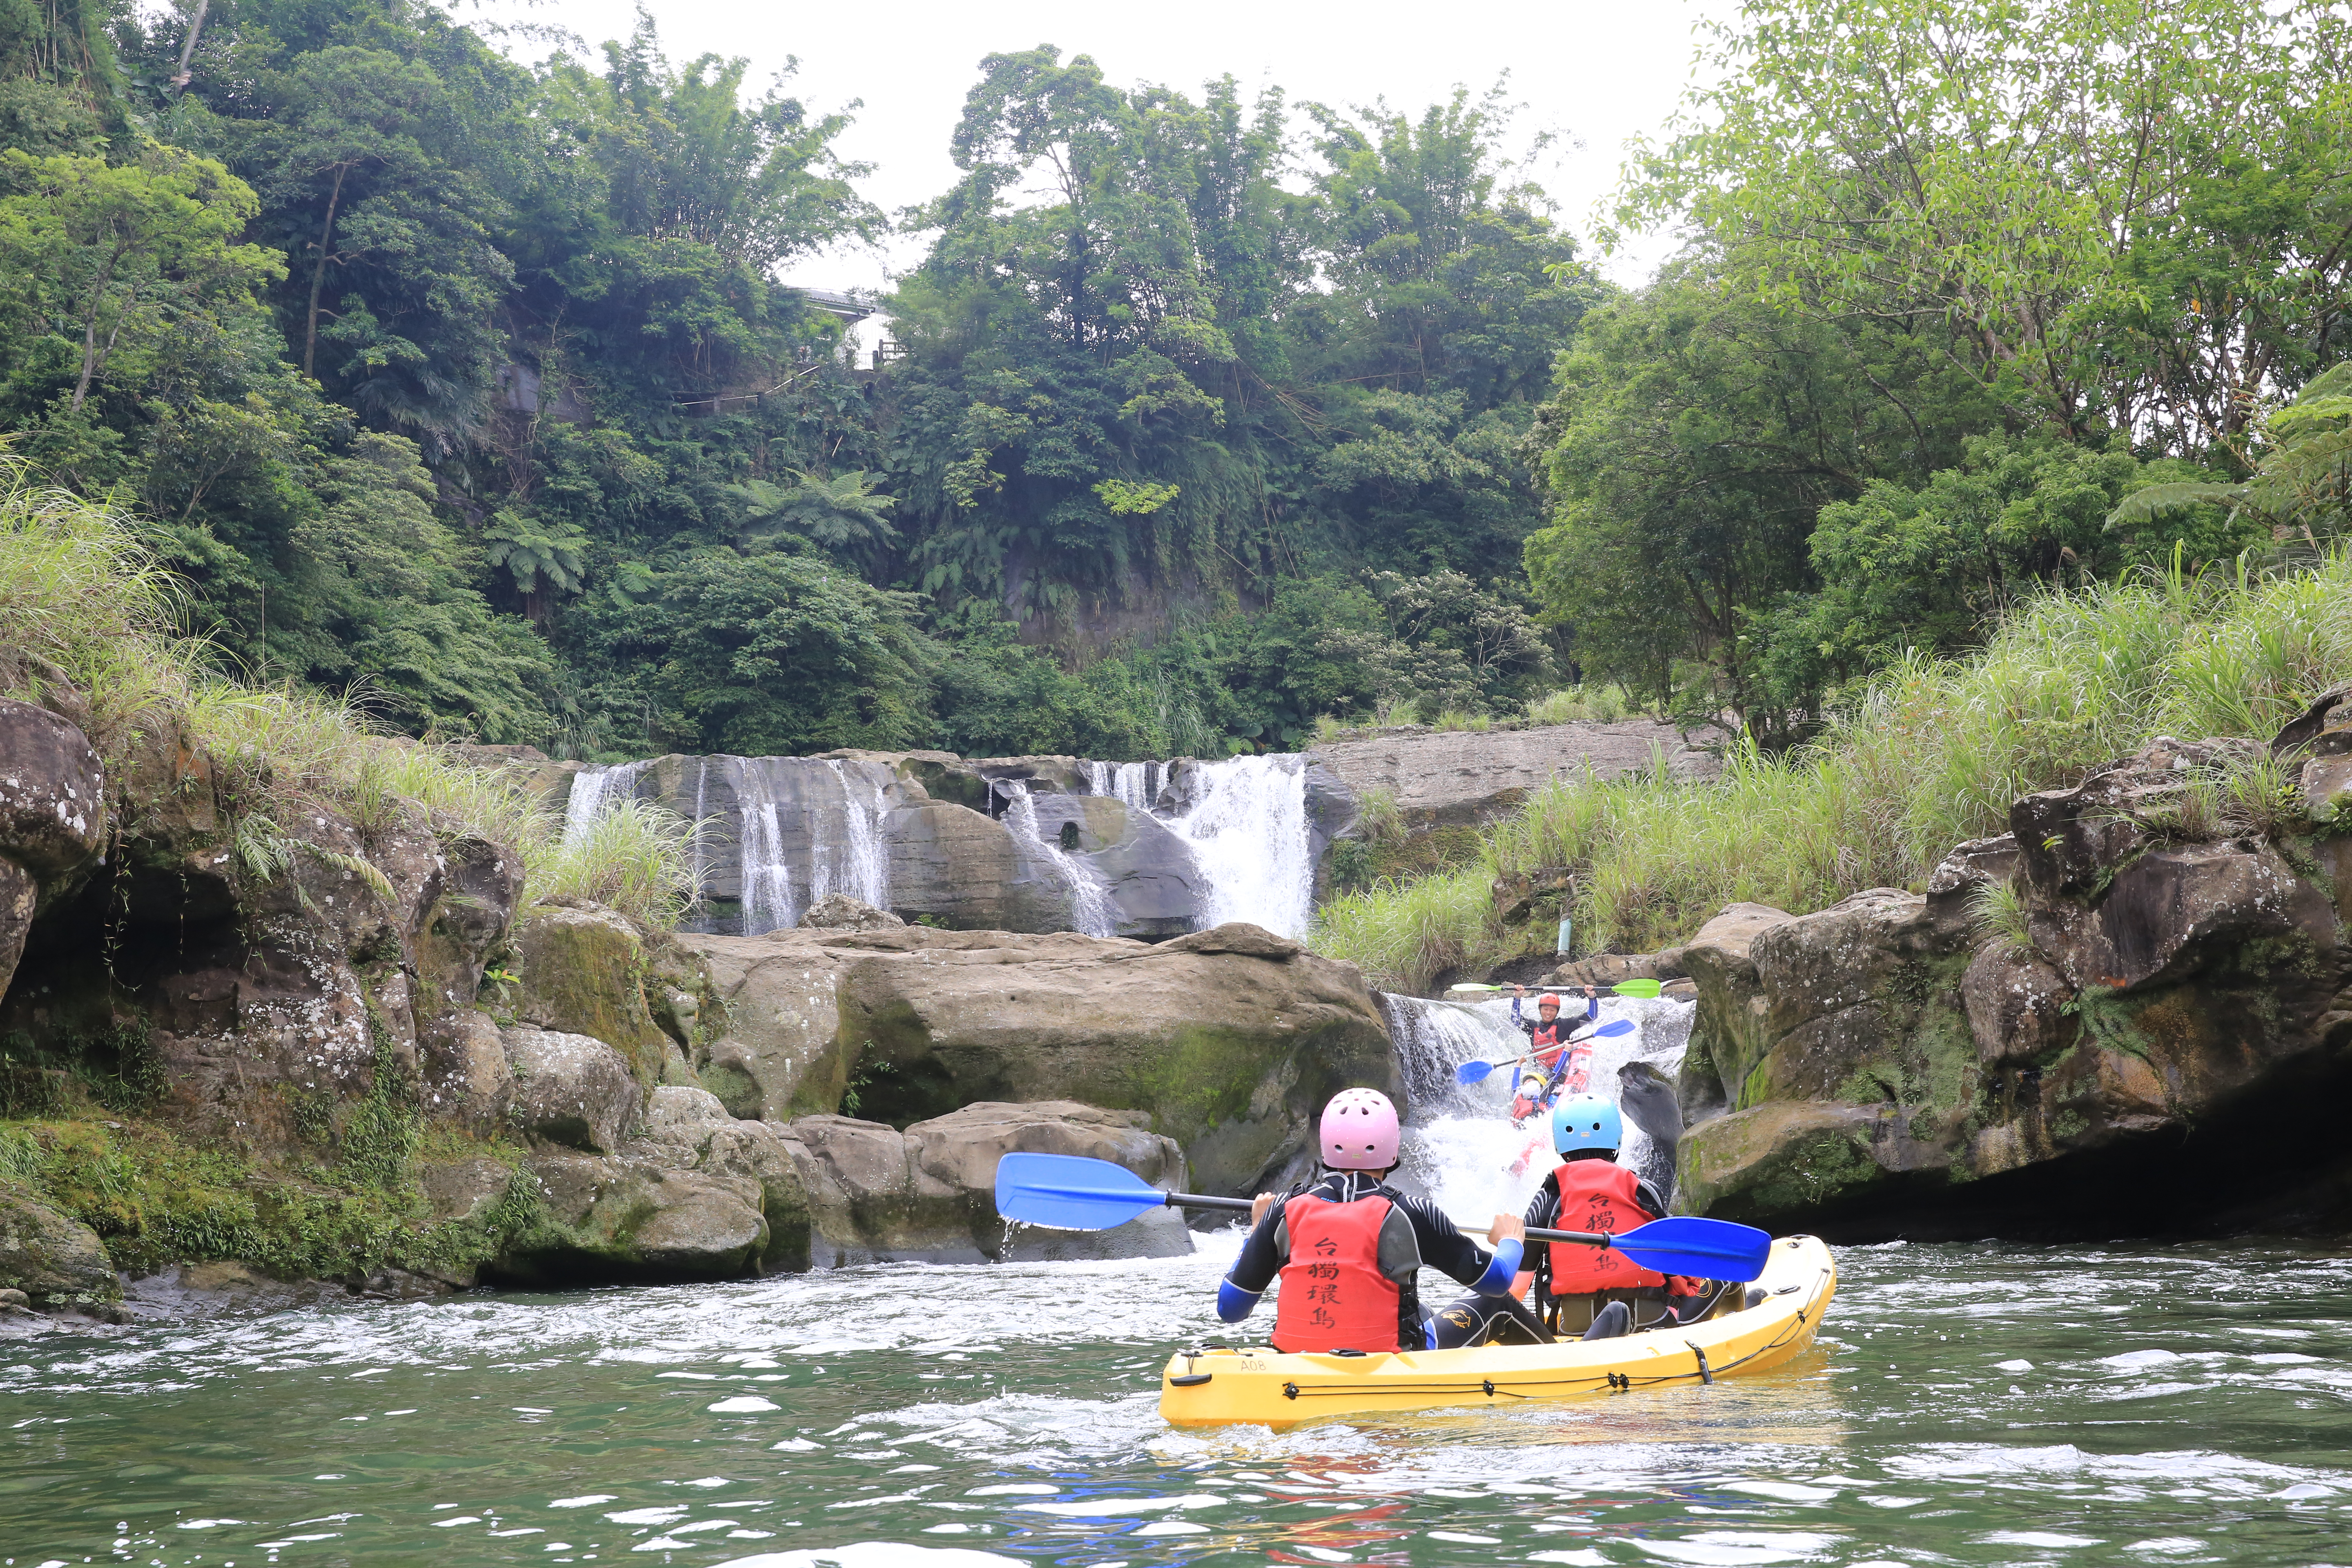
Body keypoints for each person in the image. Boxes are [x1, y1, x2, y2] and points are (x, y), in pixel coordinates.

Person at [1216, 1088, 1526, 1353]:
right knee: (1497, 1304)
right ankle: (1564, 1369)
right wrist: (1510, 1241)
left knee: (1421, 1309)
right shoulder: (1412, 1212)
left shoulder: (1282, 1210)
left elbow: (1230, 1310)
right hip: (1386, 1361)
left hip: (1295, 1362)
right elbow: (1497, 1282)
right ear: (1392, 1145)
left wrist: (1255, 1232)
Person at [1511, 984, 1599, 1092]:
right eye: (1546, 1009)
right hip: (1542, 1072)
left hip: (1563, 1071)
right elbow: (1515, 1019)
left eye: (1552, 1010)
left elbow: (1591, 1016)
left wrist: (1592, 996)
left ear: (1557, 1012)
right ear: (1540, 1009)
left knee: (1556, 1086)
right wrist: (1517, 997)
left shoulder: (1563, 1025)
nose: (1548, 1013)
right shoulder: (1533, 1027)